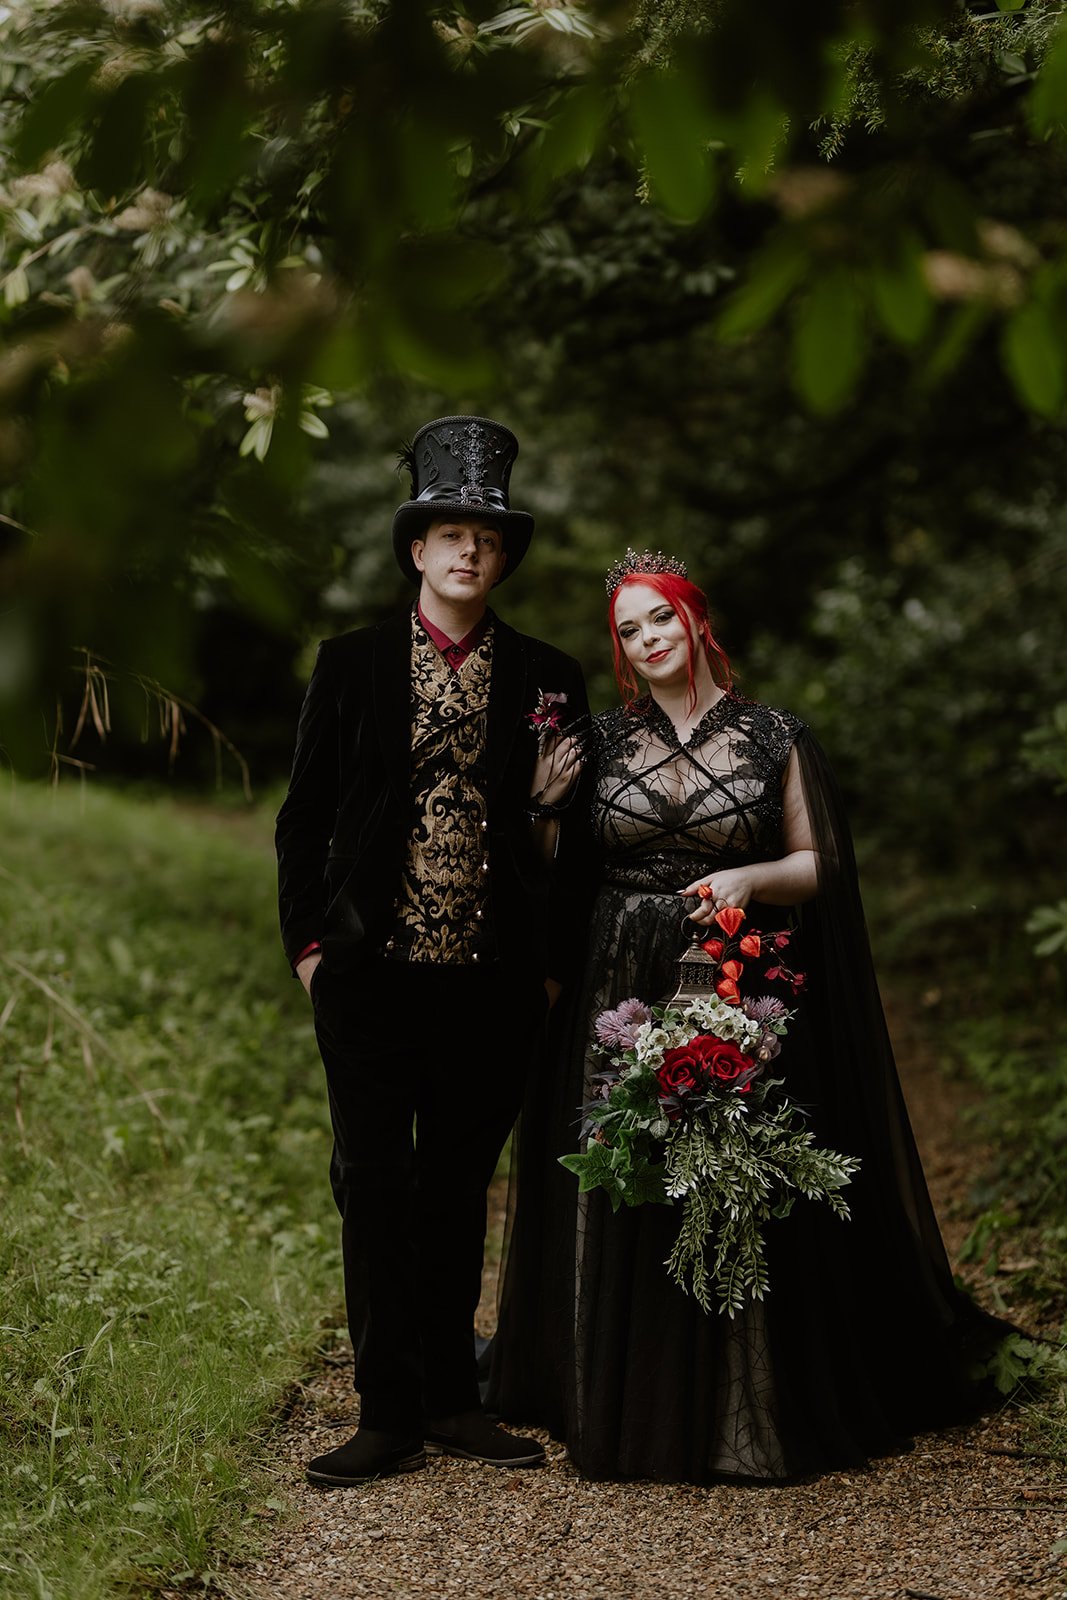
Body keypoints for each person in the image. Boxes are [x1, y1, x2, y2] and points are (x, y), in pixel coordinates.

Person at [488, 548, 1005, 1483]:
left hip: (737, 974)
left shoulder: (773, 735)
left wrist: (746, 877)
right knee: (630, 1173)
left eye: (660, 618)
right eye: (628, 628)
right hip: (618, 980)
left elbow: (819, 864)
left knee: (737, 1172)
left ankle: (745, 1410)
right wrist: (539, 808)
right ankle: (625, 1402)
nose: (647, 639)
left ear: (696, 620)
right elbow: (557, 871)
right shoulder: (601, 741)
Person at [275, 415, 589, 1487]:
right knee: (373, 1182)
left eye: (487, 539)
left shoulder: (548, 674)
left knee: (458, 1184)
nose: (467, 551)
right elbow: (301, 817)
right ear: (416, 548)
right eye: (449, 533)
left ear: (501, 560)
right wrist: (310, 949)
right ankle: (385, 1411)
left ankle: (454, 1398)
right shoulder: (351, 663)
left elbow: (576, 837)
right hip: (367, 974)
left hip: (493, 984)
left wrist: (545, 966)